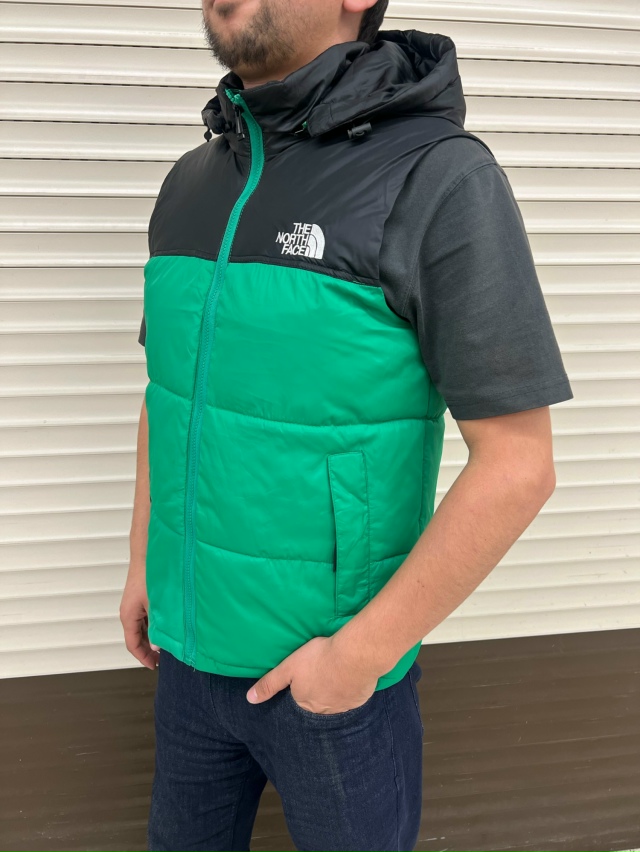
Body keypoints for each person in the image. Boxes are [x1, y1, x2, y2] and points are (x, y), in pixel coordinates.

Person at [121, 0, 574, 849]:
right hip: (185, 663)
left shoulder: (437, 178)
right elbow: (170, 390)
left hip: (333, 694)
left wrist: (354, 660)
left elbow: (518, 464)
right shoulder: (190, 183)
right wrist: (144, 559)